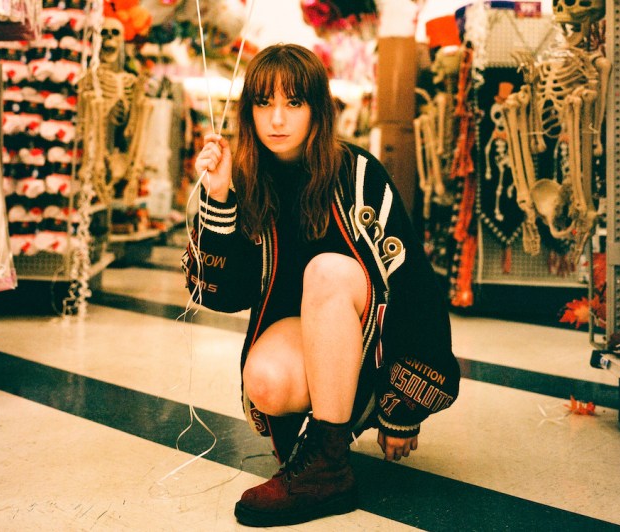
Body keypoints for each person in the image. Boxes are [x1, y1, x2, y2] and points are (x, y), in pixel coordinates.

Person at [182, 43, 460, 528]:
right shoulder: (245, 179)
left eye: (294, 102)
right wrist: (220, 197)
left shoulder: (357, 172)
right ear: (248, 111)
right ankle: (319, 449)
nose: (277, 119)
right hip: (308, 348)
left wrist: (402, 410)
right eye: (264, 103)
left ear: (317, 108)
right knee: (265, 378)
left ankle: (327, 465)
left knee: (326, 271)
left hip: (373, 351)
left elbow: (414, 286)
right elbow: (221, 295)